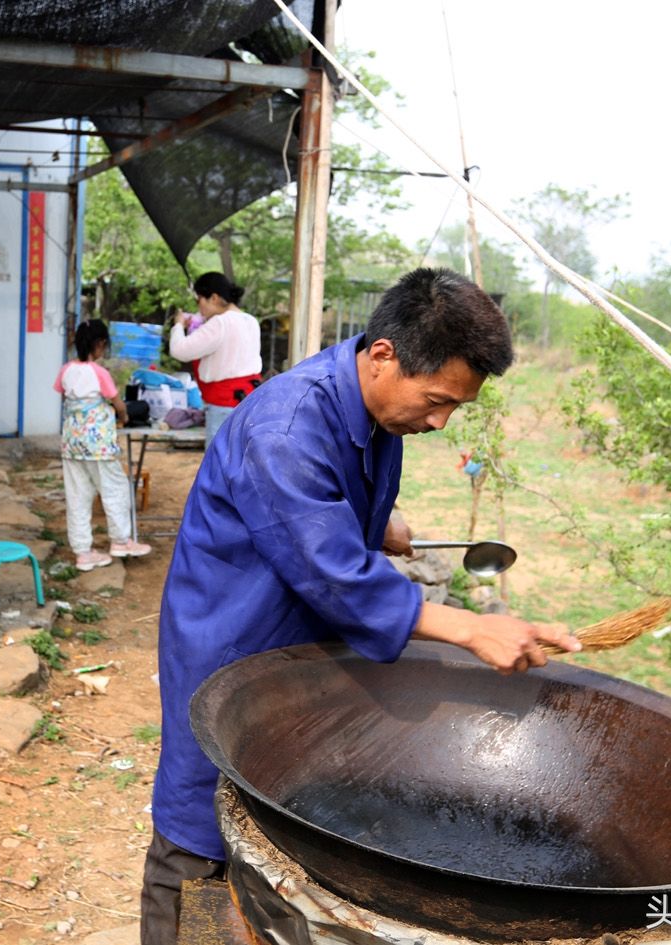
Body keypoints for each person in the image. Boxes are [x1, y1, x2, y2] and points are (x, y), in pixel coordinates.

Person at [139, 269, 582, 945]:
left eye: (454, 409)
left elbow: (321, 510)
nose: (438, 421)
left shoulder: (372, 412)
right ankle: (187, 933)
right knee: (203, 817)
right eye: (436, 400)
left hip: (298, 641)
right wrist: (468, 627)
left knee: (282, 805)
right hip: (232, 637)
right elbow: (335, 573)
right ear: (383, 355)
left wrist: (376, 519)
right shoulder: (286, 422)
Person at [54, 320, 151, 572]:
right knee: (115, 489)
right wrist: (124, 417)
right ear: (100, 344)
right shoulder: (99, 373)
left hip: (72, 445)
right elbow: (118, 404)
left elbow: (64, 395)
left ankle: (83, 552)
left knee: (77, 496)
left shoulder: (65, 370)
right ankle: (120, 541)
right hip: (99, 447)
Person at [167, 272, 261, 445]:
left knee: (218, 464)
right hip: (250, 402)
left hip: (224, 404)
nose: (199, 308)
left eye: (199, 300)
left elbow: (179, 350)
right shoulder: (251, 321)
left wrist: (179, 325)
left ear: (214, 298)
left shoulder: (220, 323)